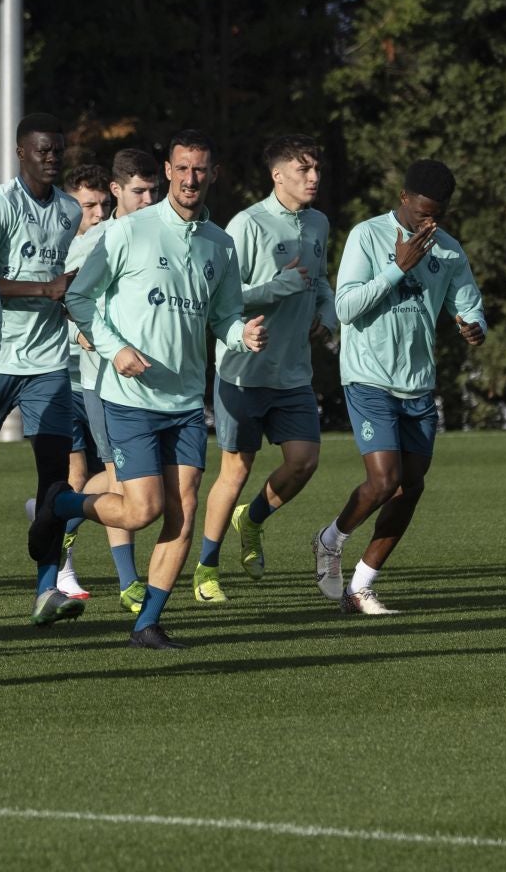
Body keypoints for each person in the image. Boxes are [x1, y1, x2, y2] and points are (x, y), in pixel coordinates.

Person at [45, 131, 267, 649]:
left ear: (212, 173)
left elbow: (225, 315)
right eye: (183, 169)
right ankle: (65, 506)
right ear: (169, 170)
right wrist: (114, 348)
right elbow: (79, 297)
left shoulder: (221, 243)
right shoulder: (129, 232)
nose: (192, 179)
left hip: (187, 401)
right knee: (142, 510)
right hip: (131, 399)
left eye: (201, 169)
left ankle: (147, 623)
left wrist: (242, 334)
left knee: (183, 510)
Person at [313, 159, 485, 615]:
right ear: (403, 199)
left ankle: (361, 587)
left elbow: (467, 301)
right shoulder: (367, 237)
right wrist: (398, 268)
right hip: (369, 377)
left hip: (418, 385)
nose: (428, 222)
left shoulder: (448, 250)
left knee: (411, 487)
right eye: (422, 212)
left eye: (437, 215)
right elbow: (346, 307)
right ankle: (331, 540)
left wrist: (474, 325)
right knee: (384, 480)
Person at [195, 135, 335, 603]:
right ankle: (206, 570)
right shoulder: (247, 224)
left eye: (316, 169)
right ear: (278, 176)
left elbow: (319, 283)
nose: (314, 178)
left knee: (304, 462)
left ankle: (250, 520)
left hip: (293, 373)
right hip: (242, 372)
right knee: (234, 470)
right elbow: (223, 297)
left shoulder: (318, 223)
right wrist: (280, 287)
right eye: (303, 170)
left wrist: (327, 314)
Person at [0, 113, 85, 622]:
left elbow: (65, 284)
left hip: (49, 361)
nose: (51, 156)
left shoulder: (70, 211)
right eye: (42, 149)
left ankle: (45, 590)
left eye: (58, 148)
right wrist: (45, 289)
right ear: (20, 153)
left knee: (55, 481)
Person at [43, 149, 160, 610]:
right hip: (100, 381)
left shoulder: (163, 235)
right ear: (118, 192)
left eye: (153, 190)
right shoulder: (99, 239)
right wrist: (82, 332)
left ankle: (60, 517)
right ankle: (129, 580)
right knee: (118, 480)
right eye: (139, 191)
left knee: (133, 484)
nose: (149, 199)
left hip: (153, 383)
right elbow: (67, 294)